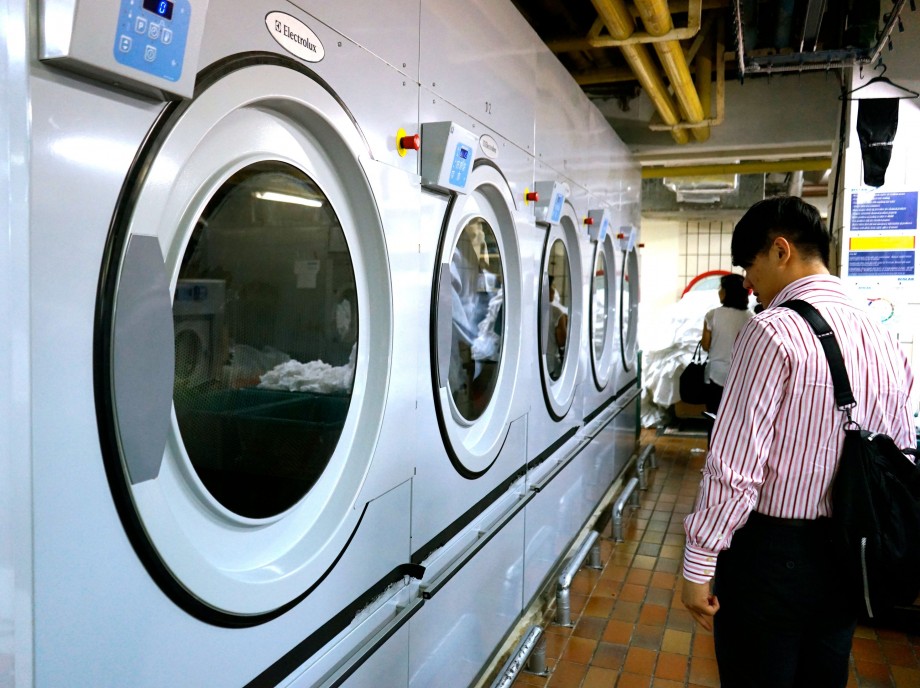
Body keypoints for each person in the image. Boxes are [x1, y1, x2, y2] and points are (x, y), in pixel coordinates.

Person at [681, 196, 915, 688]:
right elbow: (897, 453)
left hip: (773, 556)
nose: (749, 282)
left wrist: (698, 562)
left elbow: (735, 467)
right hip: (851, 550)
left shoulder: (772, 331)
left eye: (750, 265)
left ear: (780, 250)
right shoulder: (884, 334)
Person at [701, 273, 752, 415]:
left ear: (726, 292)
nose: (719, 291)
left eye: (720, 288)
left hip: (716, 374)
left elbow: (705, 346)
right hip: (741, 376)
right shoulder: (751, 318)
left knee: (714, 416)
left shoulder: (712, 315)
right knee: (735, 417)